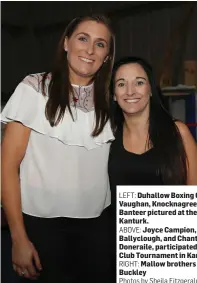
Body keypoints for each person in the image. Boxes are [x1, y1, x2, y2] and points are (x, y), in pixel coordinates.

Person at [1, 14, 115, 283]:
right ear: (66, 43)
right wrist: (18, 238)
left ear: (107, 56)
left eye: (100, 44)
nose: (89, 50)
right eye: (82, 38)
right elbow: (6, 166)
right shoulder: (34, 88)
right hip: (42, 228)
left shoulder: (111, 100)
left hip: (98, 228)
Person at [108, 56, 197, 279]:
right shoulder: (108, 139)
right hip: (120, 252)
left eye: (139, 82)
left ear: (150, 89)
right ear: (113, 95)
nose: (130, 91)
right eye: (121, 84)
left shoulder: (178, 133)